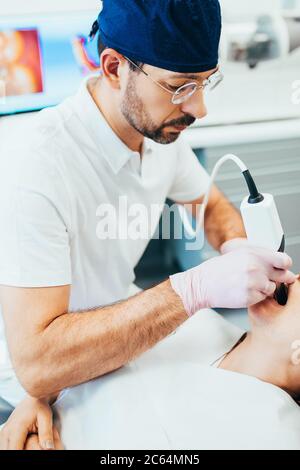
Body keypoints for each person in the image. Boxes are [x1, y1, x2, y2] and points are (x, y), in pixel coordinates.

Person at [0, 0, 296, 449]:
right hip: (34, 364)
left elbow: (210, 206)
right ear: (115, 67)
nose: (199, 108)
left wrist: (236, 244)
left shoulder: (158, 133)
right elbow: (37, 362)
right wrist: (192, 289)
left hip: (105, 354)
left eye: (204, 83)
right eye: (180, 87)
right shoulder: (37, 167)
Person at [2, 277, 300, 450]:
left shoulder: (274, 435)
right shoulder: (196, 317)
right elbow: (92, 324)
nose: (294, 278)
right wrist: (43, 391)